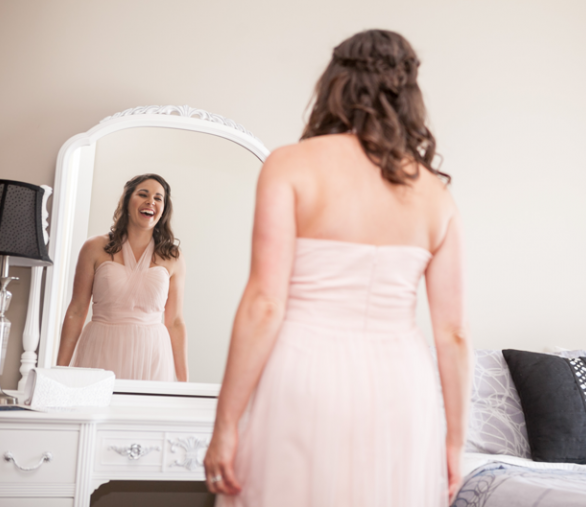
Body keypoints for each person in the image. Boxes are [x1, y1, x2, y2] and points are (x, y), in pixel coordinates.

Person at [204, 29, 470, 506]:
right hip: (400, 384)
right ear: (409, 93)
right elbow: (453, 334)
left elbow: (265, 304)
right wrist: (454, 442)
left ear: (335, 83)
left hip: (307, 372)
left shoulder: (290, 166)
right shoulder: (437, 195)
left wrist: (225, 425)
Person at [56, 173, 188, 382]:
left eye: (158, 198)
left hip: (152, 355)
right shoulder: (94, 248)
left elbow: (175, 322)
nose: (150, 201)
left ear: (164, 209)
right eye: (143, 194)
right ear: (127, 201)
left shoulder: (173, 257)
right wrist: (59, 371)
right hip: (101, 349)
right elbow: (77, 309)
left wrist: (184, 384)